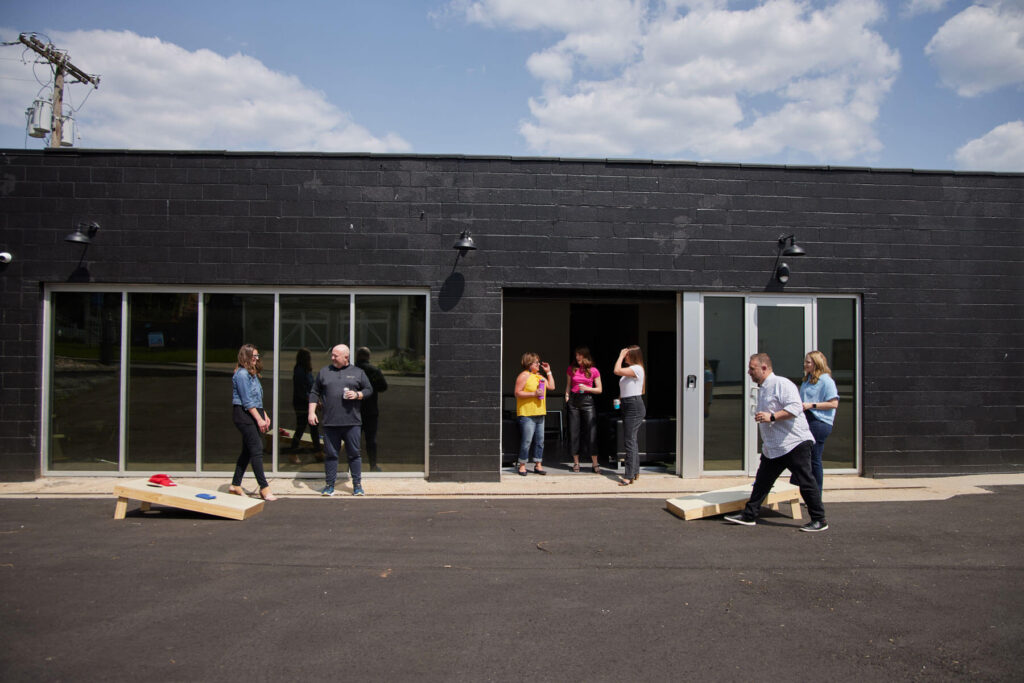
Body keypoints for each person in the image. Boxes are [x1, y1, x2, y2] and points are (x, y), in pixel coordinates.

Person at [725, 353, 828, 532]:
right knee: (762, 482)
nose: (749, 372)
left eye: (752, 368)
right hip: (775, 447)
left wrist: (771, 416)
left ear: (764, 368)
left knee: (806, 481)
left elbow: (795, 408)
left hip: (794, 442)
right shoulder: (763, 387)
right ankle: (749, 515)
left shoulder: (781, 384)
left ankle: (819, 520)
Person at [308, 344, 373, 496]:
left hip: (352, 423)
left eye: (335, 356)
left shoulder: (358, 372)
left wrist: (358, 395)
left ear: (346, 357)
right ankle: (329, 485)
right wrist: (311, 412)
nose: (332, 358)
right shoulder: (324, 372)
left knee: (354, 454)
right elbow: (314, 392)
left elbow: (369, 389)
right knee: (331, 455)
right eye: (332, 355)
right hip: (331, 423)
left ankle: (357, 486)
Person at [229, 344, 276, 501]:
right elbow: (247, 401)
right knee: (256, 449)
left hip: (254, 413)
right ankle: (264, 487)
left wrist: (265, 415)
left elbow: (257, 399)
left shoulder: (252, 374)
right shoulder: (242, 375)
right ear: (246, 357)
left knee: (247, 451)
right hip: (244, 416)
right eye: (253, 356)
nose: (256, 358)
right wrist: (259, 418)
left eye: (257, 356)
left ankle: (235, 484)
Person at [795, 350, 840, 493]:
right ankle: (802, 489)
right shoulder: (807, 380)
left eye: (808, 362)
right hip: (806, 420)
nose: (805, 364)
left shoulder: (826, 381)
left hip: (819, 422)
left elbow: (833, 404)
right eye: (805, 361)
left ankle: (816, 493)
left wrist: (811, 405)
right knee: (801, 455)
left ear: (816, 363)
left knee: (814, 458)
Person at [514, 352, 555, 476]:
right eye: (536, 362)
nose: (538, 364)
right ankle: (522, 465)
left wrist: (548, 372)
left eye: (538, 362)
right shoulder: (524, 375)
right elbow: (517, 393)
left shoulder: (539, 376)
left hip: (540, 413)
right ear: (529, 363)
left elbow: (552, 387)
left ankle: (538, 464)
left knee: (540, 441)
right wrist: (533, 394)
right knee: (527, 441)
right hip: (527, 414)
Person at [564, 346, 602, 473]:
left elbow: (599, 389)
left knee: (591, 432)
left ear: (585, 356)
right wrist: (567, 396)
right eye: (576, 355)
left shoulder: (593, 370)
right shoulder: (572, 368)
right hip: (574, 400)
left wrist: (587, 388)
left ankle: (595, 462)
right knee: (574, 431)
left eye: (579, 355)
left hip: (587, 400)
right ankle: (576, 462)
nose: (577, 357)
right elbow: (568, 385)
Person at [614, 345, 645, 486]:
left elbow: (616, 370)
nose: (625, 356)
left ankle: (628, 475)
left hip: (634, 405)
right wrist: (620, 399)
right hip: (628, 403)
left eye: (627, 355)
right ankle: (634, 472)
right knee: (632, 440)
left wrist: (620, 356)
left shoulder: (637, 368)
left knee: (629, 441)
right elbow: (628, 387)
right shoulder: (633, 370)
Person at [355, 346, 389, 472]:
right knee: (371, 439)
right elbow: (383, 387)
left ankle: (353, 465)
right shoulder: (374, 371)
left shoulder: (352, 370)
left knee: (354, 438)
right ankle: (373, 465)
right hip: (370, 409)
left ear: (357, 356)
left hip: (354, 409)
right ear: (368, 357)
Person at [290, 348, 320, 463]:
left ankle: (318, 452)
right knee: (301, 427)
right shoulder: (300, 371)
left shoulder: (306, 370)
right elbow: (302, 391)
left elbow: (312, 387)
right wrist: (313, 401)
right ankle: (293, 452)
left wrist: (316, 400)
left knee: (314, 427)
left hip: (309, 402)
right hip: (302, 404)